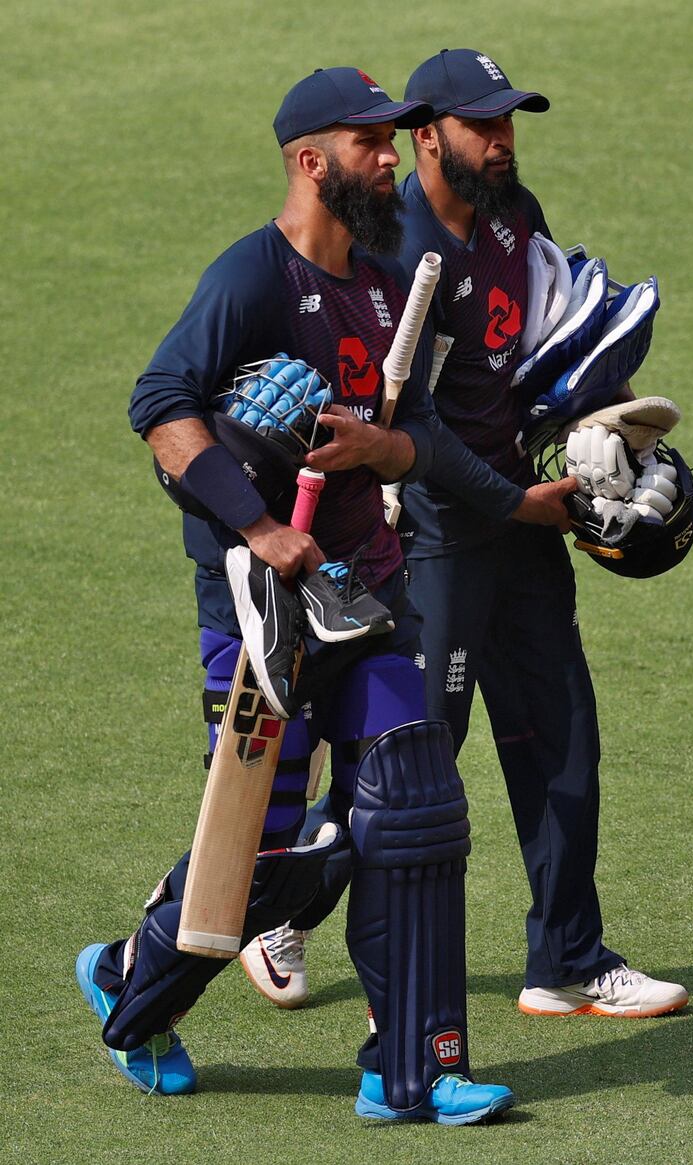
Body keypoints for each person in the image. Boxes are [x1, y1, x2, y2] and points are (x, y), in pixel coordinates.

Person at [73, 65, 554, 1123]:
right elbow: (160, 407)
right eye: (369, 144)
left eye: (393, 143)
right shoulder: (249, 277)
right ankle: (128, 980)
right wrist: (259, 525)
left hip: (363, 598)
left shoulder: (387, 277)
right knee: (269, 851)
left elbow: (416, 430)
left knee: (413, 807)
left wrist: (385, 445)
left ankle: (409, 1068)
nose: (391, 158)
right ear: (308, 160)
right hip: (261, 613)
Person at [247, 50, 688, 1022]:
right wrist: (511, 502)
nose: (500, 140)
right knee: (407, 769)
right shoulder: (392, 257)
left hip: (520, 531)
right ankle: (278, 905)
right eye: (480, 124)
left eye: (508, 122)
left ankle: (565, 957)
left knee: (564, 743)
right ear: (423, 138)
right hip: (434, 547)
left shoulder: (512, 216)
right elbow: (411, 429)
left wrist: (605, 443)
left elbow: (551, 345)